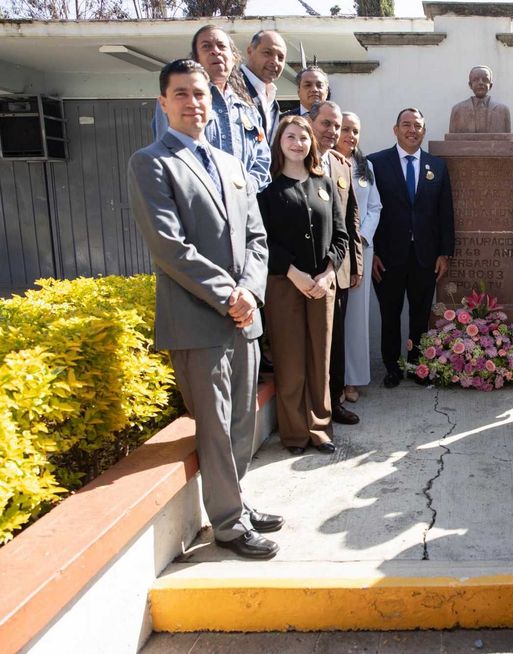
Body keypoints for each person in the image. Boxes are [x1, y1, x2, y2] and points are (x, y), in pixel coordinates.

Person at [129, 59, 282, 560]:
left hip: (244, 318)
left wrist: (250, 292)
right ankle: (229, 526)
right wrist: (229, 295)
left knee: (241, 423)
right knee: (215, 427)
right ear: (163, 102)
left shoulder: (232, 165)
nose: (193, 103)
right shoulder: (151, 162)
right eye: (181, 94)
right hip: (199, 322)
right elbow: (169, 247)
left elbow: (257, 238)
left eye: (199, 94)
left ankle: (235, 500)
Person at [257, 115, 348, 456]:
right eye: (290, 137)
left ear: (312, 143)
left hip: (322, 287)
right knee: (291, 361)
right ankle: (295, 433)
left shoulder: (324, 185)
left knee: (320, 361)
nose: (298, 143)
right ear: (279, 143)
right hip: (285, 286)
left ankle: (320, 429)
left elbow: (341, 235)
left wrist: (328, 273)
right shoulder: (268, 191)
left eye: (303, 137)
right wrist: (294, 273)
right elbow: (263, 241)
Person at [367, 108, 455, 389]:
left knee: (420, 314)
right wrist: (371, 253)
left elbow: (445, 212)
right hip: (386, 257)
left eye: (417, 126)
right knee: (390, 314)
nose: (412, 130)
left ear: (424, 131)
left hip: (425, 257)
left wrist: (444, 253)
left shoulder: (437, 166)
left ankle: (418, 365)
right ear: (396, 130)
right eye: (406, 124)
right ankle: (392, 367)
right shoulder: (375, 163)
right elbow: (366, 210)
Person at [152, 25, 271, 192]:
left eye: (221, 46)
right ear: (196, 59)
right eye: (206, 46)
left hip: (242, 203)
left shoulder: (249, 109)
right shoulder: (178, 104)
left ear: (234, 57)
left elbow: (262, 160)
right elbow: (168, 156)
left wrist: (244, 191)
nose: (215, 51)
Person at [308, 100, 363, 425]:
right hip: (307, 270)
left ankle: (335, 401)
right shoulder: (297, 159)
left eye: (337, 126)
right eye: (326, 124)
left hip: (339, 269)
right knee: (310, 344)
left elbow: (351, 216)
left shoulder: (342, 165)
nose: (332, 131)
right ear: (311, 123)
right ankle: (311, 408)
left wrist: (356, 263)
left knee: (336, 341)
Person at [336, 111, 383, 403]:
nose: (350, 136)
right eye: (345, 129)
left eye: (355, 131)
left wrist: (362, 236)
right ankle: (333, 379)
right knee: (332, 319)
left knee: (355, 319)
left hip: (360, 250)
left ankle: (352, 380)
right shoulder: (323, 162)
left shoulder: (365, 167)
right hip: (332, 251)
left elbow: (375, 207)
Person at [242, 30, 287, 138]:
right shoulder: (231, 87)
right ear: (250, 51)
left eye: (280, 57)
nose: (275, 61)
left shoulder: (272, 101)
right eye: (267, 53)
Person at [448, 65, 512, 134]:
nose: (480, 83)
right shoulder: (457, 110)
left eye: (485, 80)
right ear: (470, 85)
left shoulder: (503, 111)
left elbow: (507, 137)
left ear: (490, 85)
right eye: (476, 80)